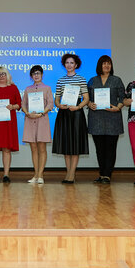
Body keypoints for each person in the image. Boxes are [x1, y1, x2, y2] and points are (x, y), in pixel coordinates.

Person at [87, 55, 126, 183]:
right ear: (99, 66)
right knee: (99, 148)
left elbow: (122, 98)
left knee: (110, 147)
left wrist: (118, 107)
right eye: (104, 64)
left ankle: (107, 175)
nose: (106, 66)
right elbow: (86, 98)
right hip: (96, 118)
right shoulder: (92, 80)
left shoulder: (117, 80)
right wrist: (89, 104)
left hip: (112, 118)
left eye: (109, 63)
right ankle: (102, 173)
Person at [52, 53, 89, 183]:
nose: (69, 65)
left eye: (71, 63)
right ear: (64, 64)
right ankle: (68, 173)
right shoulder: (61, 80)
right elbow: (56, 99)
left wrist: (78, 107)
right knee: (66, 146)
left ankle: (72, 174)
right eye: (67, 63)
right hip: (64, 114)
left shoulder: (81, 79)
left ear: (76, 65)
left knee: (76, 144)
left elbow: (86, 98)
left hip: (77, 114)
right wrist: (59, 105)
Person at [21, 65, 53, 184]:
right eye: (34, 73)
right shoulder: (28, 89)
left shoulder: (47, 88)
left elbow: (50, 104)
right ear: (31, 76)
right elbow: (23, 104)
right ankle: (35, 175)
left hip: (42, 119)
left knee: (42, 148)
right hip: (30, 120)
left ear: (42, 74)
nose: (36, 75)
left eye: (38, 73)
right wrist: (27, 112)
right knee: (33, 149)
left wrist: (41, 113)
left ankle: (40, 175)